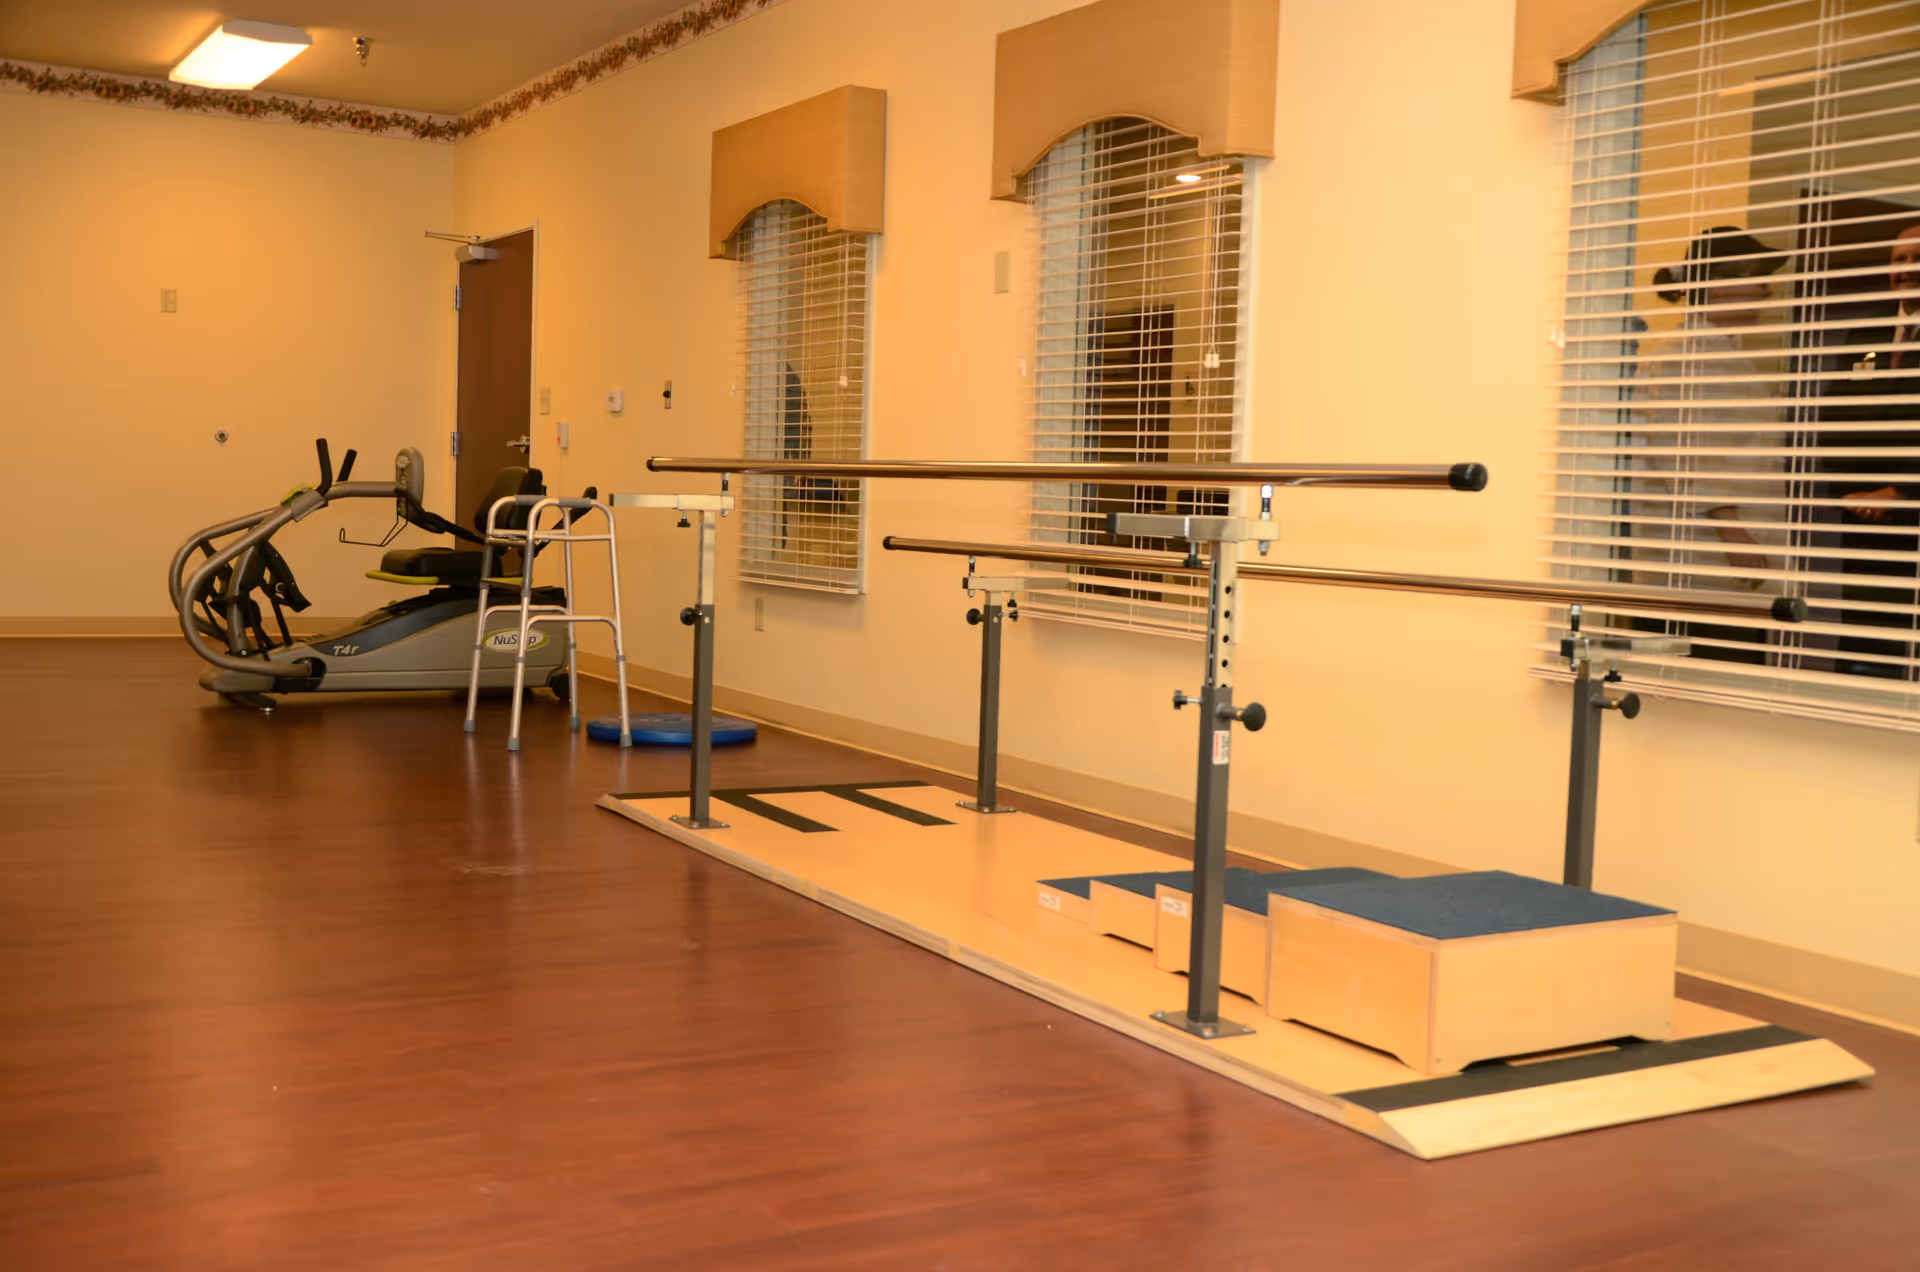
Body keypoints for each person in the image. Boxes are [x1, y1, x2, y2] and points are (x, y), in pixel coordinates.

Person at [1631, 226, 1790, 663]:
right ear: (1720, 286)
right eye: (1757, 276)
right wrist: (1735, 535)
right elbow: (1682, 452)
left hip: (1724, 566)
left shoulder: (1726, 355)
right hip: (1703, 569)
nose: (1766, 289)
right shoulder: (1686, 354)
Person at [1816, 222, 1920, 678]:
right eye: (1898, 259)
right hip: (1859, 530)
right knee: (1860, 652)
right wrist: (1850, 494)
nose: (1906, 268)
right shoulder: (1865, 340)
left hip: (1911, 527)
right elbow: (1837, 421)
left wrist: (1898, 494)